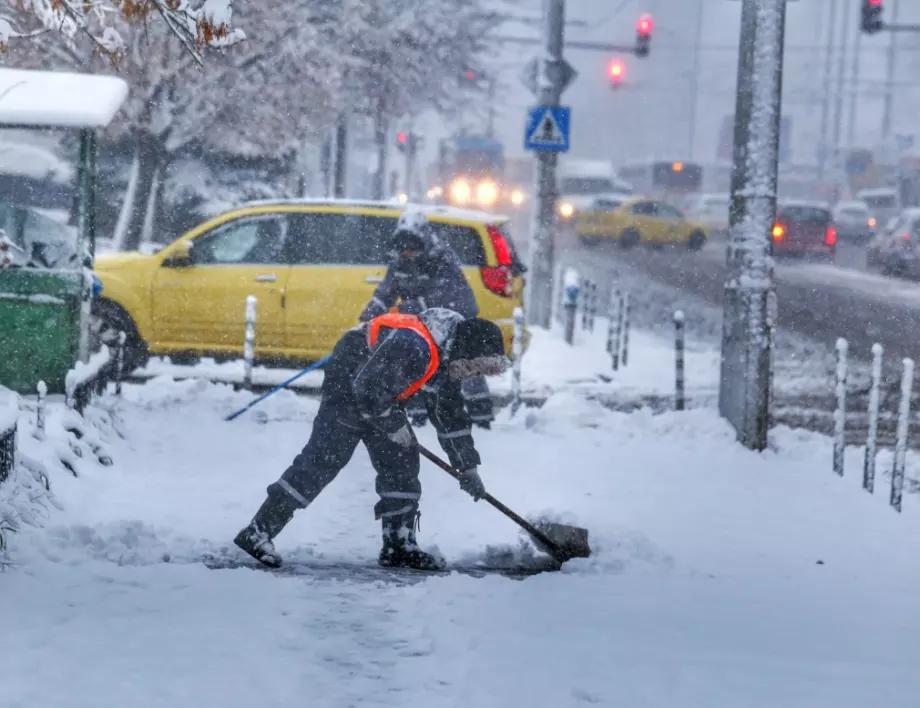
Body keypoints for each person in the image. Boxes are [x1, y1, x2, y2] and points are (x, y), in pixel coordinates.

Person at [233, 307, 511, 571]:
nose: (472, 375)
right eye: (473, 368)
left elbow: (449, 416)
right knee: (325, 459)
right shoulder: (414, 344)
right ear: (465, 352)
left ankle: (399, 545)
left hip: (379, 398)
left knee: (401, 463)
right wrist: (391, 423)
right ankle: (258, 531)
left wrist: (468, 467)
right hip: (348, 386)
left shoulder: (447, 358)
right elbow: (367, 386)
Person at [359, 210, 496, 429]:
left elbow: (450, 297)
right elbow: (386, 292)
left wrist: (413, 306)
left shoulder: (442, 260)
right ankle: (418, 416)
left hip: (455, 319)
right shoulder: (399, 262)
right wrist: (371, 313)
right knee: (410, 361)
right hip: (421, 324)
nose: (408, 253)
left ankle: (482, 419)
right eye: (404, 248)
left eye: (413, 247)